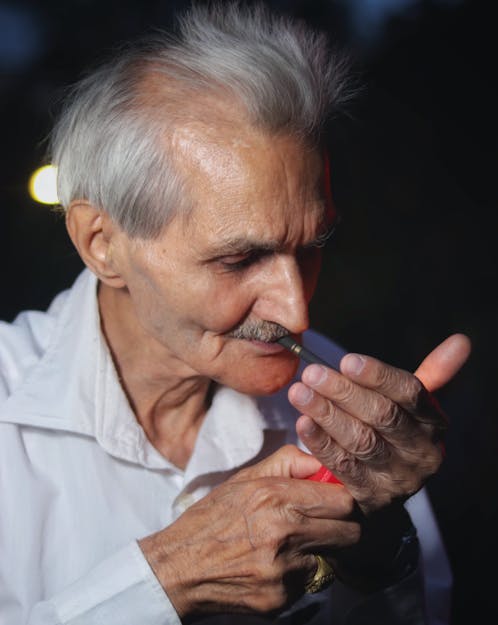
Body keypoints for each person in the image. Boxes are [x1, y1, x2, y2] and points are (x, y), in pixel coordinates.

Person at [0, 3, 471, 624]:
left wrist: (377, 549)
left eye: (312, 248)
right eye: (239, 259)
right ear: (101, 243)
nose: (296, 309)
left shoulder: (344, 409)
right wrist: (170, 579)